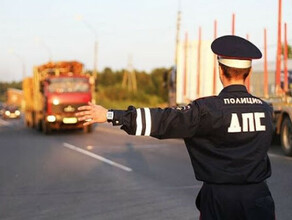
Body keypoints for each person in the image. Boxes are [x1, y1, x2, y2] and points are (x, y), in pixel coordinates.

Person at [76, 35, 275, 220]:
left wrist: (111, 115)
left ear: (220, 71)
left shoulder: (207, 110)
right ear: (248, 73)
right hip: (258, 198)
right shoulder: (266, 110)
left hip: (219, 200)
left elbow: (163, 121)